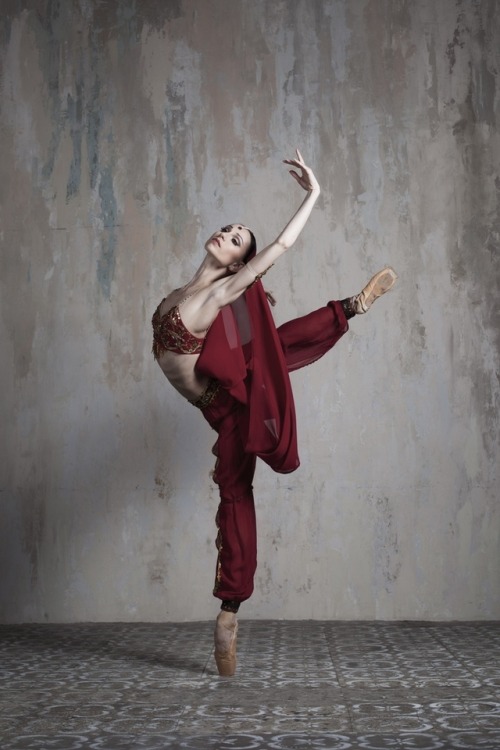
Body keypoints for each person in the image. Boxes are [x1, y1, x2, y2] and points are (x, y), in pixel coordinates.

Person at [152, 150, 397, 677]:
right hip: (221, 387)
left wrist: (314, 194)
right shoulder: (185, 292)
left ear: (240, 264)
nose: (228, 234)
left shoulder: (221, 289)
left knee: (236, 494)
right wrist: (250, 307)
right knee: (269, 350)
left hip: (229, 415)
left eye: (238, 238)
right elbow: (222, 325)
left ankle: (230, 610)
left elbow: (281, 245)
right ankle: (348, 309)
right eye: (228, 229)